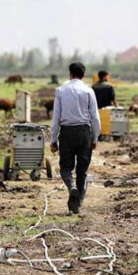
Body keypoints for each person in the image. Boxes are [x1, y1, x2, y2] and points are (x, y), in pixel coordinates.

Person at [50, 62, 101, 214]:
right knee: (82, 170)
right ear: (83, 75)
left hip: (66, 133)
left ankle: (71, 186)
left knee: (66, 167)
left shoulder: (61, 90)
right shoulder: (88, 91)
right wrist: (94, 138)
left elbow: (56, 117)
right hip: (84, 132)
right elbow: (95, 117)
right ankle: (77, 204)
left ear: (70, 73)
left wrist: (53, 139)